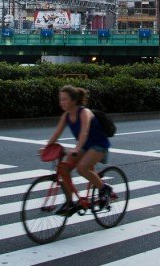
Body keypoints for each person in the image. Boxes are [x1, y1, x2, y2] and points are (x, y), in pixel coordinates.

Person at [42, 85, 113, 216]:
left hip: (99, 145)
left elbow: (84, 132)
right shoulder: (66, 116)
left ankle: (104, 188)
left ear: (74, 101)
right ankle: (70, 203)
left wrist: (76, 149)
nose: (62, 102)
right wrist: (47, 147)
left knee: (82, 169)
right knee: (63, 169)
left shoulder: (84, 112)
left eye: (65, 99)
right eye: (60, 99)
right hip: (85, 147)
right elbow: (56, 134)